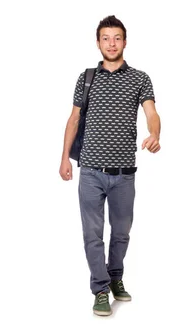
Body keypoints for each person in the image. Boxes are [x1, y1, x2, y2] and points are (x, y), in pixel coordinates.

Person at [59, 15, 160, 317]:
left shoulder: (140, 78)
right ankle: (100, 289)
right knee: (92, 234)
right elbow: (74, 118)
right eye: (106, 38)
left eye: (117, 37)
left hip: (124, 175)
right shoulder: (86, 77)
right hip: (90, 172)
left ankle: (115, 276)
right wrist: (64, 156)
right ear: (98, 42)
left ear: (125, 42)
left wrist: (154, 134)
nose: (112, 43)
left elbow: (152, 112)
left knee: (122, 233)